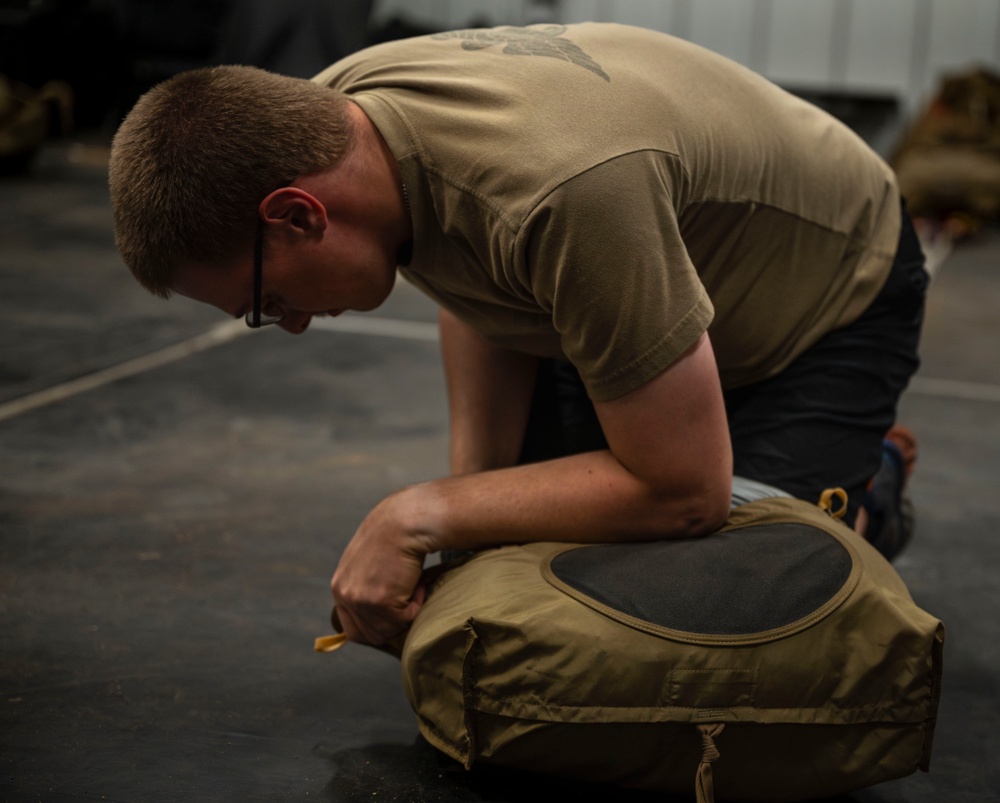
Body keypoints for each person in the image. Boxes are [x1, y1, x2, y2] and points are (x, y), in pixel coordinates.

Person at [108, 22, 928, 647]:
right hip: (628, 289)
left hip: (822, 301)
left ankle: (867, 488)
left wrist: (416, 514)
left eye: (268, 299)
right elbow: (472, 263)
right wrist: (473, 512)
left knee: (714, 609)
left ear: (299, 214)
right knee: (532, 570)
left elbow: (685, 493)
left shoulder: (565, 194)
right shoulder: (336, 124)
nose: (289, 323)